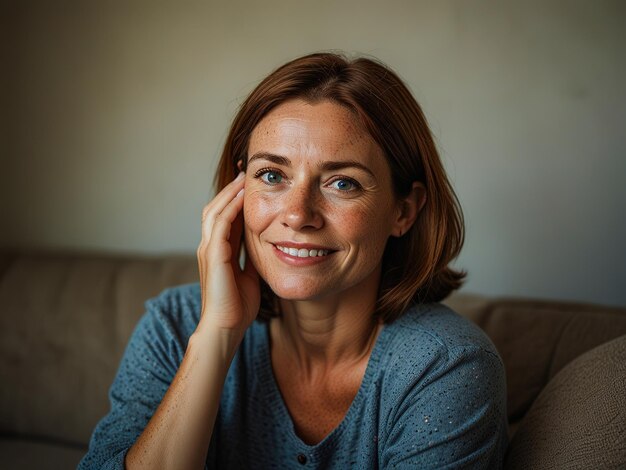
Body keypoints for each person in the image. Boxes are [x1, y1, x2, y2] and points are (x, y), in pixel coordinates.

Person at [79, 52, 508, 469]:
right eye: (271, 175)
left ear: (404, 211)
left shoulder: (446, 367)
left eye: (342, 183)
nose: (298, 214)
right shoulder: (174, 326)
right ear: (237, 189)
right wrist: (217, 336)